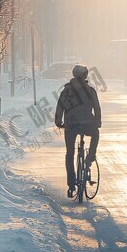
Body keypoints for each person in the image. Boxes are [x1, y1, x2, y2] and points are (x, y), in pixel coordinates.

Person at [55, 63, 102, 198]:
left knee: (70, 153)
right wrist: (97, 121)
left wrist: (59, 122)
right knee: (95, 135)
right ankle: (90, 157)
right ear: (86, 75)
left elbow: (60, 107)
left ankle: (71, 184)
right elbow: (97, 108)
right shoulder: (90, 90)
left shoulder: (66, 91)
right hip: (88, 123)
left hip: (71, 125)